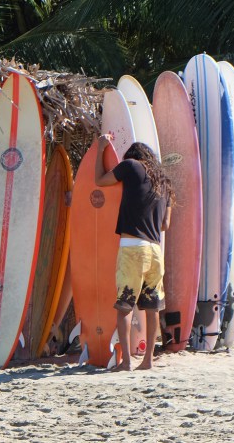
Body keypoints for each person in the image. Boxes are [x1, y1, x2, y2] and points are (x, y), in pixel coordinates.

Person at [94, 137, 172, 371]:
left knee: (125, 306)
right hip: (155, 251)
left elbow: (99, 180)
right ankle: (148, 360)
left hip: (132, 249)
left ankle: (126, 362)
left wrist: (101, 150)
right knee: (152, 306)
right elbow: (165, 224)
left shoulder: (130, 166)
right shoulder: (165, 182)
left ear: (133, 156)